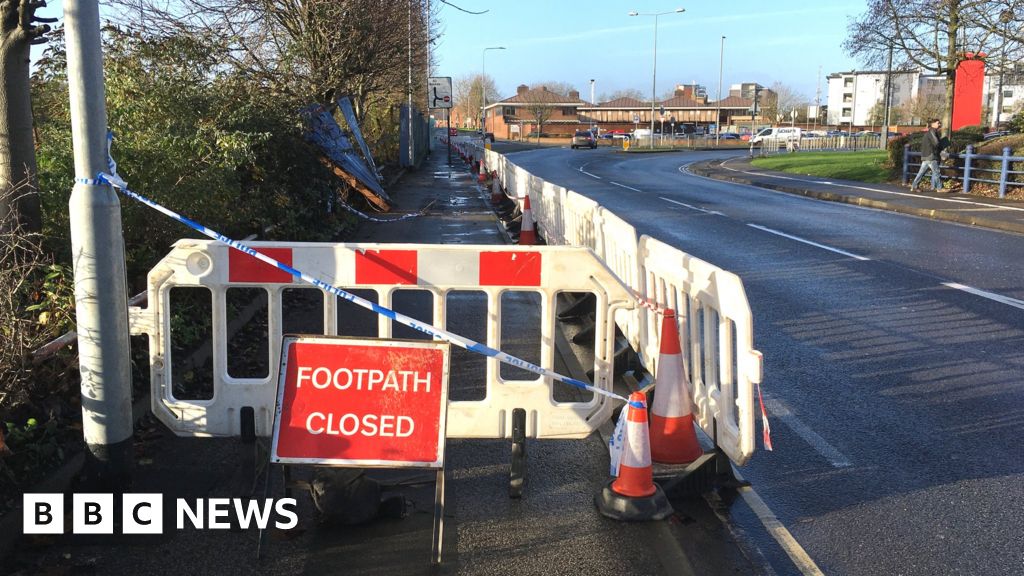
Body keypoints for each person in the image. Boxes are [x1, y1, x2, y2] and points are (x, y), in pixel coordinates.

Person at [910, 118, 949, 193]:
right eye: (938, 123)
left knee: (921, 173)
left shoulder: (930, 132)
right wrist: (943, 145)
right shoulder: (932, 132)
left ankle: (914, 186)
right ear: (933, 124)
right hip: (931, 156)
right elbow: (936, 143)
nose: (939, 124)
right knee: (937, 172)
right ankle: (939, 188)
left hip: (926, 155)